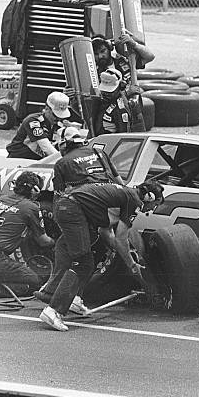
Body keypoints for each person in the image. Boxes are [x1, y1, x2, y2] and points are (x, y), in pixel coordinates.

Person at [39, 180, 164, 331]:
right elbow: (121, 237)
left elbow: (105, 232)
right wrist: (131, 264)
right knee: (83, 264)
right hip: (72, 210)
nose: (153, 208)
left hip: (68, 206)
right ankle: (53, 310)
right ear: (149, 197)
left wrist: (122, 252)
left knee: (90, 255)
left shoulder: (123, 194)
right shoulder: (134, 200)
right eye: (155, 203)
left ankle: (74, 299)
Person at [33, 125, 123, 312]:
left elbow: (59, 195)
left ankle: (58, 304)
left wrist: (62, 220)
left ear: (64, 144)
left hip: (85, 210)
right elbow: (118, 180)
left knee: (82, 259)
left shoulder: (62, 162)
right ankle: (61, 293)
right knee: (66, 246)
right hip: (110, 204)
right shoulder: (100, 153)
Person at [0, 171, 55, 298]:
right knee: (36, 282)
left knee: (5, 275)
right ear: (35, 189)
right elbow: (43, 241)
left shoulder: (1, 199)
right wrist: (57, 241)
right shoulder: (30, 207)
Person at [6, 91, 70, 160]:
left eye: (61, 116)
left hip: (37, 162)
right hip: (18, 160)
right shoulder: (33, 121)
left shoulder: (57, 124)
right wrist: (63, 162)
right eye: (55, 115)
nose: (58, 119)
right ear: (47, 109)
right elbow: (46, 147)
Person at [94, 68, 141, 135]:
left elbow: (124, 135)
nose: (106, 94)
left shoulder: (120, 108)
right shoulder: (104, 100)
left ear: (120, 87)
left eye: (109, 91)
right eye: (104, 91)